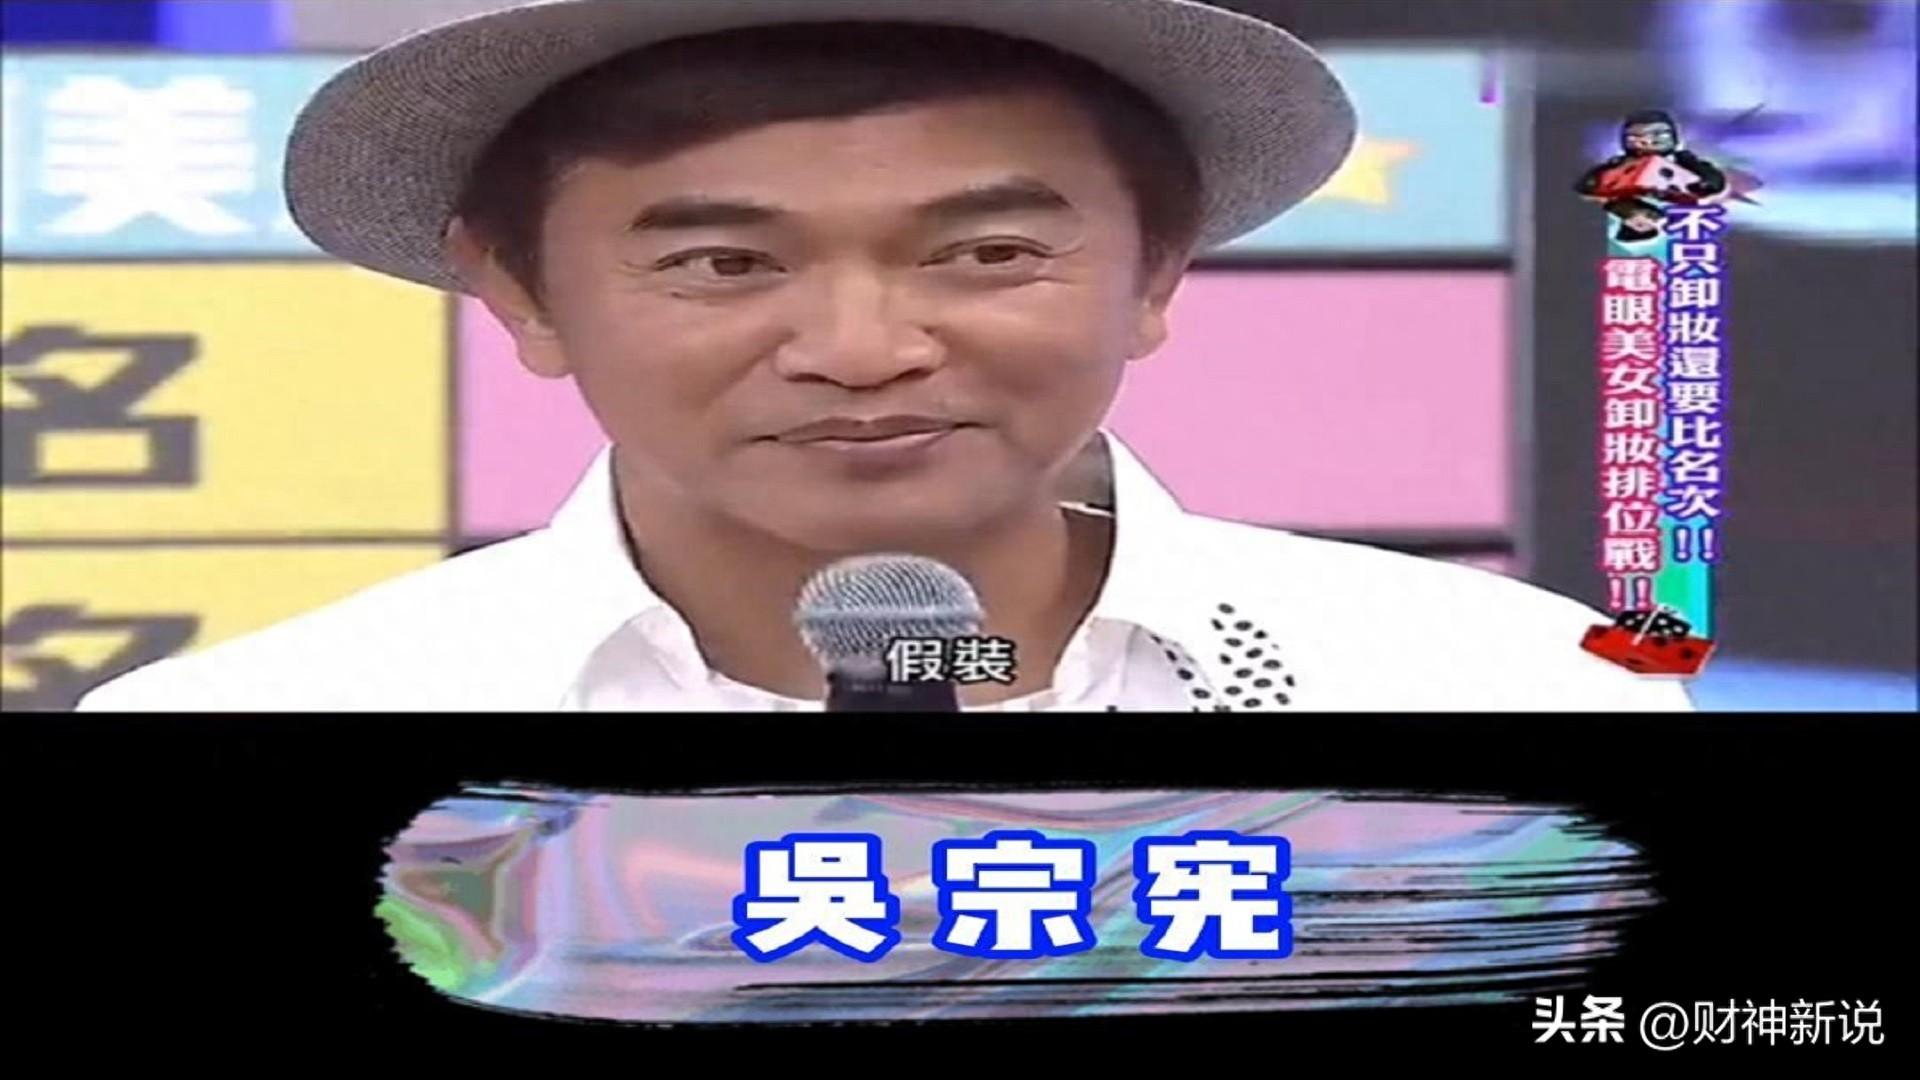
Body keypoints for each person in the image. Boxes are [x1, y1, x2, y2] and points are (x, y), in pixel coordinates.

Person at [79, 0, 1691, 712]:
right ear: (519, 294)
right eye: (723, 264)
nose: (863, 352)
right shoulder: (268, 708)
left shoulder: (1493, 684)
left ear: (1156, 273)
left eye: (986, 255)